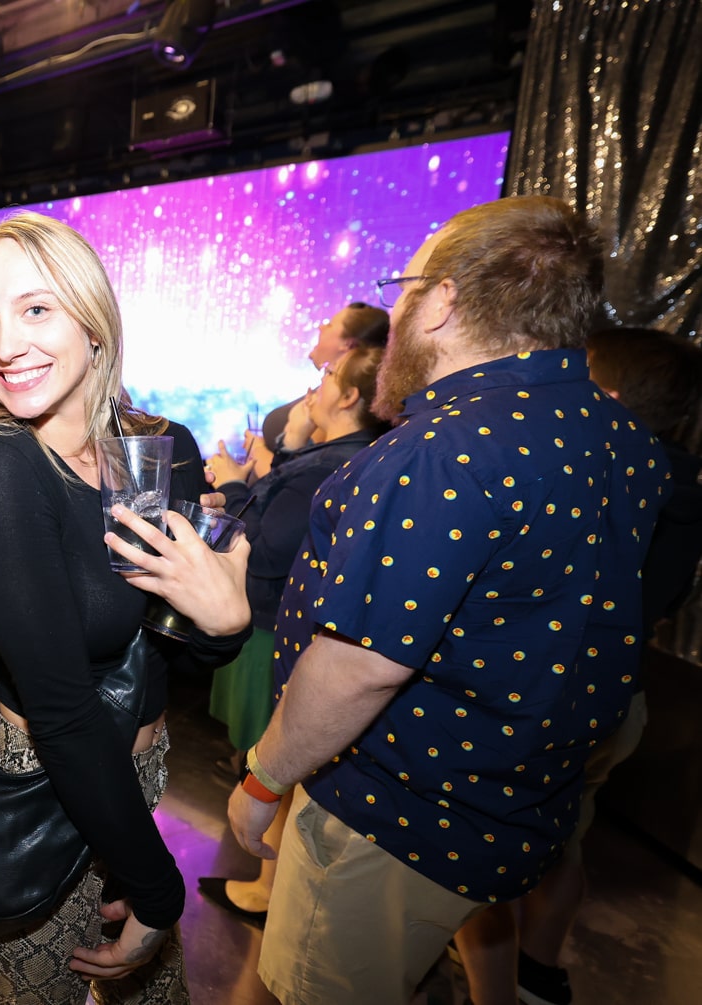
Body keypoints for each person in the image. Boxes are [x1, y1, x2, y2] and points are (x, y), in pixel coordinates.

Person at [225, 195, 671, 1005]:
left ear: (443, 302)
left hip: (392, 817)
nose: (395, 313)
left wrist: (263, 781)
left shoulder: (443, 448)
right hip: (518, 805)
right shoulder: (623, 436)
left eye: (404, 289)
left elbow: (361, 665)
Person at [0, 211, 252, 1003]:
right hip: (38, 790)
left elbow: (172, 649)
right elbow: (58, 705)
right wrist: (159, 888)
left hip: (139, 774)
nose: (4, 344)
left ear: (92, 320)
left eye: (35, 308)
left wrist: (225, 627)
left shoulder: (161, 446)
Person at [457, 326, 702, 1005]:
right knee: (561, 842)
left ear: (608, 399)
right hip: (621, 699)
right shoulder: (682, 487)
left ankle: (492, 989)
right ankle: (538, 971)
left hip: (545, 701)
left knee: (470, 857)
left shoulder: (604, 477)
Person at [197, 345, 389, 924]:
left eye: (327, 375)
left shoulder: (327, 467)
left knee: (273, 754)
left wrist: (235, 486)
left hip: (273, 626)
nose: (313, 385)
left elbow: (266, 554)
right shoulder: (340, 456)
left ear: (349, 395)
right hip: (278, 623)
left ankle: (266, 891)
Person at [248, 302, 389, 477]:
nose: (321, 327)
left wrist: (257, 450)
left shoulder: (333, 409)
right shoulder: (325, 395)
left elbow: (303, 475)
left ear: (348, 344)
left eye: (329, 325)